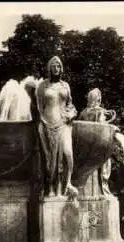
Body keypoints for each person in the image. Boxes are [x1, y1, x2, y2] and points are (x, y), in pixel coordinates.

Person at [35, 56, 78, 198]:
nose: (56, 68)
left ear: (61, 68)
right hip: (47, 123)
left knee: (67, 153)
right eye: (53, 66)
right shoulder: (43, 86)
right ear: (49, 68)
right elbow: (38, 107)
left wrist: (71, 114)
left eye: (58, 66)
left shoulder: (65, 86)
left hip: (64, 123)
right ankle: (52, 189)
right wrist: (42, 122)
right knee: (50, 160)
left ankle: (66, 184)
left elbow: (70, 104)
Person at [78, 88, 117, 195]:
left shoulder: (83, 112)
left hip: (84, 149)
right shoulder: (100, 111)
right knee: (106, 160)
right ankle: (104, 187)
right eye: (99, 98)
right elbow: (102, 127)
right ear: (97, 99)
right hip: (97, 147)